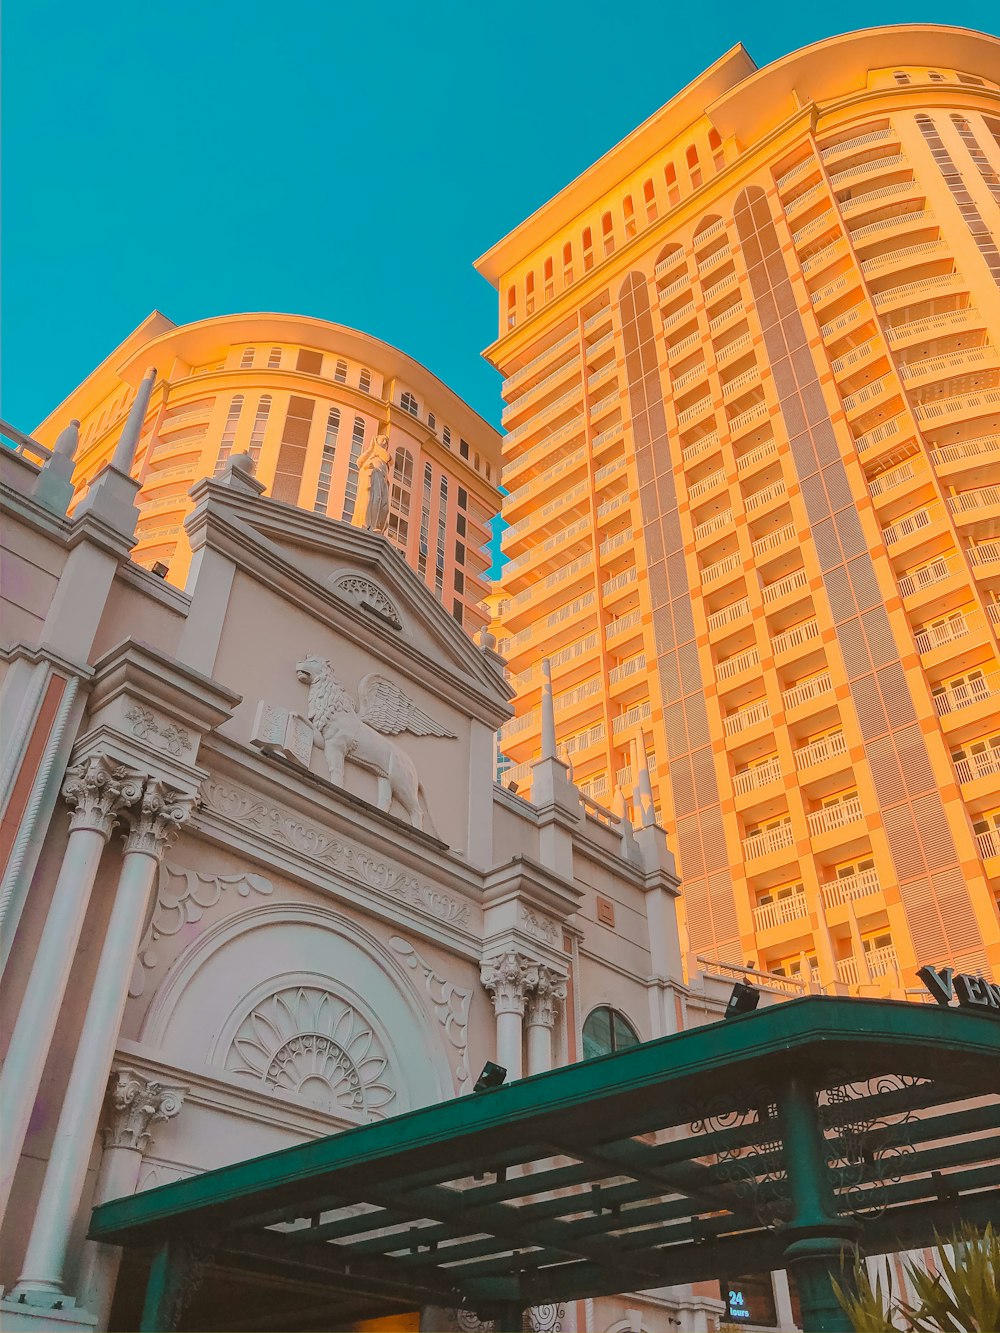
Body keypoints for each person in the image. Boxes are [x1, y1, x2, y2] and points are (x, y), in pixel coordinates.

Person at [353, 433, 392, 533]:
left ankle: (378, 526)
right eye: (382, 440)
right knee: (374, 499)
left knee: (385, 507)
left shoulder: (383, 456)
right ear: (376, 440)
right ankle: (371, 525)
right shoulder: (371, 455)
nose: (384, 443)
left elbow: (388, 458)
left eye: (386, 442)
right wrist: (371, 447)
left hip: (383, 480)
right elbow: (359, 462)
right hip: (373, 475)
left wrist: (377, 446)